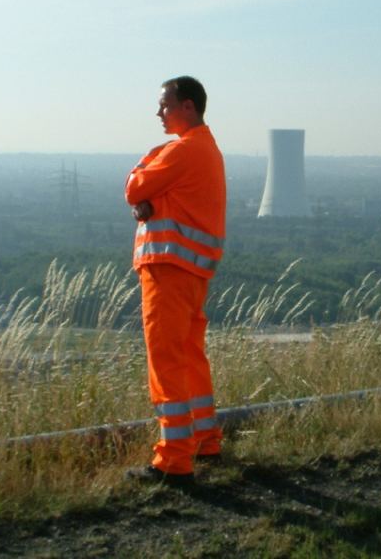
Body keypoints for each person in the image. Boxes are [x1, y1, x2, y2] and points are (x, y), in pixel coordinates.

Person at [124, 76, 226, 488]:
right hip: (191, 272)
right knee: (188, 355)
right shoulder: (205, 149)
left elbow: (135, 187)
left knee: (166, 360)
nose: (158, 113)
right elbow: (150, 194)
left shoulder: (183, 150)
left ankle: (173, 460)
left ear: (187, 106)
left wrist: (146, 167)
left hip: (168, 269)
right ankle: (204, 439)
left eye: (164, 105)